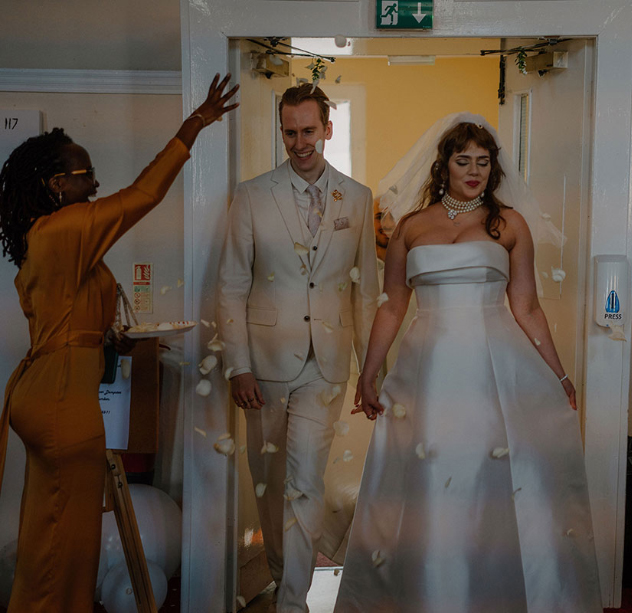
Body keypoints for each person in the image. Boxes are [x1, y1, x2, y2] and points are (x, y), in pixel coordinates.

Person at [333, 114, 602, 613]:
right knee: (430, 477)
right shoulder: (410, 227)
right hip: (426, 369)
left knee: (487, 475)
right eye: (463, 161)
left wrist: (560, 374)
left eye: (483, 161)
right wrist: (369, 373)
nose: (474, 170)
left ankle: (490, 592)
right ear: (445, 166)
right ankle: (429, 593)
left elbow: (527, 307)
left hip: (491, 367)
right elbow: (392, 304)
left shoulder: (509, 224)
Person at [0, 74, 237, 612]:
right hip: (61, 400)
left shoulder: (46, 236)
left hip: (48, 391)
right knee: (73, 535)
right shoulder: (64, 229)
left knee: (48, 528)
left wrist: (115, 341)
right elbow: (144, 195)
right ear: (58, 184)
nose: (97, 185)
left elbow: (69, 322)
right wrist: (192, 127)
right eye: (87, 175)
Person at [217, 83, 379, 612]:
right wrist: (237, 365)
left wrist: (370, 369)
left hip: (326, 365)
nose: (300, 142)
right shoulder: (251, 194)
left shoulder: (356, 197)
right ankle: (285, 573)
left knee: (305, 480)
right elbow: (232, 285)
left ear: (328, 129)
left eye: (309, 131)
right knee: (268, 483)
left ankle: (293, 603)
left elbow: (365, 289)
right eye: (290, 132)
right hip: (261, 366)